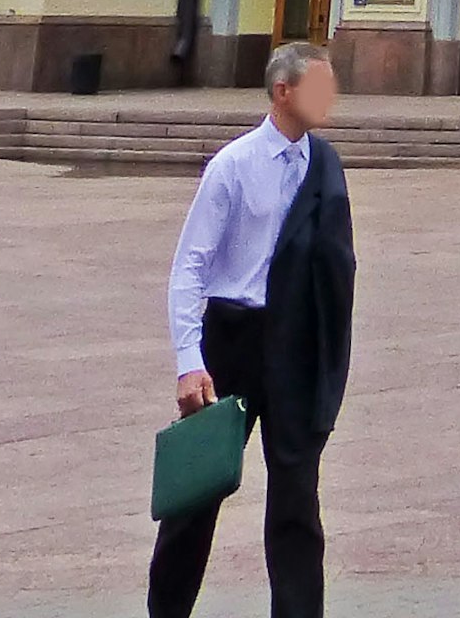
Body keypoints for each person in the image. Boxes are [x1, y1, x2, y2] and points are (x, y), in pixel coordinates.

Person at [149, 42, 356, 618]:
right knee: (197, 495)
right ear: (282, 92)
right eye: (318, 86)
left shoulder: (326, 165)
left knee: (296, 498)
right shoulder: (233, 166)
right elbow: (190, 266)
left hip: (294, 346)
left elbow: (337, 265)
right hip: (233, 342)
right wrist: (190, 359)